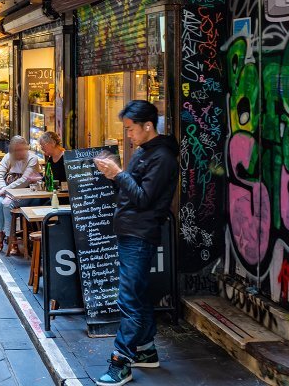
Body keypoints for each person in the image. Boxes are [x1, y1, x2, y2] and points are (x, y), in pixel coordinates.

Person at [92, 100, 178, 386]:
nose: (128, 134)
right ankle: (145, 349)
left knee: (128, 297)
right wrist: (114, 176)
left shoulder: (163, 157)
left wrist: (118, 173)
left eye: (130, 129)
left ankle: (121, 361)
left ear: (148, 126)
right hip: (131, 230)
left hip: (141, 233)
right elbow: (133, 190)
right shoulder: (145, 152)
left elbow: (143, 198)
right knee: (137, 294)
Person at [0, 136, 42, 255]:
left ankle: (11, 239)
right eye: (16, 150)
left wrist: (5, 189)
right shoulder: (8, 157)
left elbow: (24, 180)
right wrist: (4, 188)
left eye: (22, 149)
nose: (19, 153)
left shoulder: (32, 158)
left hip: (26, 194)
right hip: (8, 191)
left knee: (6, 204)